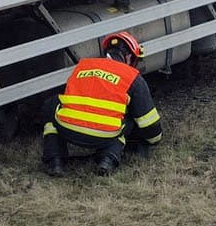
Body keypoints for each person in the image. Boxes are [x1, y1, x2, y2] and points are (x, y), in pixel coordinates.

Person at [42, 31, 163, 176]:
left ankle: (55, 161)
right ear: (129, 56)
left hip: (67, 129)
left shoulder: (83, 66)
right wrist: (155, 140)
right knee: (127, 119)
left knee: (51, 105)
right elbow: (149, 122)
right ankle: (107, 159)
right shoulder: (131, 76)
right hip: (105, 136)